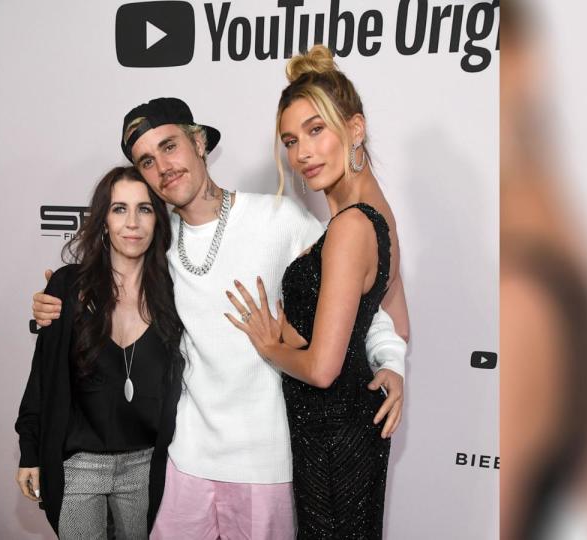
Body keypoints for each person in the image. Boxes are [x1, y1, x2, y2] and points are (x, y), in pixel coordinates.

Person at [30, 96, 408, 539]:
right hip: (185, 460)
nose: (163, 167)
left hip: (264, 465)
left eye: (169, 147)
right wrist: (57, 298)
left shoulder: (278, 217)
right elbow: (107, 290)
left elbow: (356, 299)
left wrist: (389, 359)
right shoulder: (156, 246)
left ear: (199, 143)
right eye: (146, 161)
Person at [223, 45, 405, 538]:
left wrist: (271, 344)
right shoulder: (378, 213)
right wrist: (392, 366)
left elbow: (324, 370)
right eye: (290, 139)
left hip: (330, 439)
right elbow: (391, 322)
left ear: (355, 129)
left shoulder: (349, 227)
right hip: (346, 433)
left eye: (315, 130)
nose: (301, 152)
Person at [14, 166, 184, 539]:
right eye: (119, 209)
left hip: (147, 465)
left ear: (158, 220)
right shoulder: (68, 285)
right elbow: (44, 376)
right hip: (79, 465)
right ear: (103, 220)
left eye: (144, 209)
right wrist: (30, 450)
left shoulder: (176, 293)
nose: (132, 222)